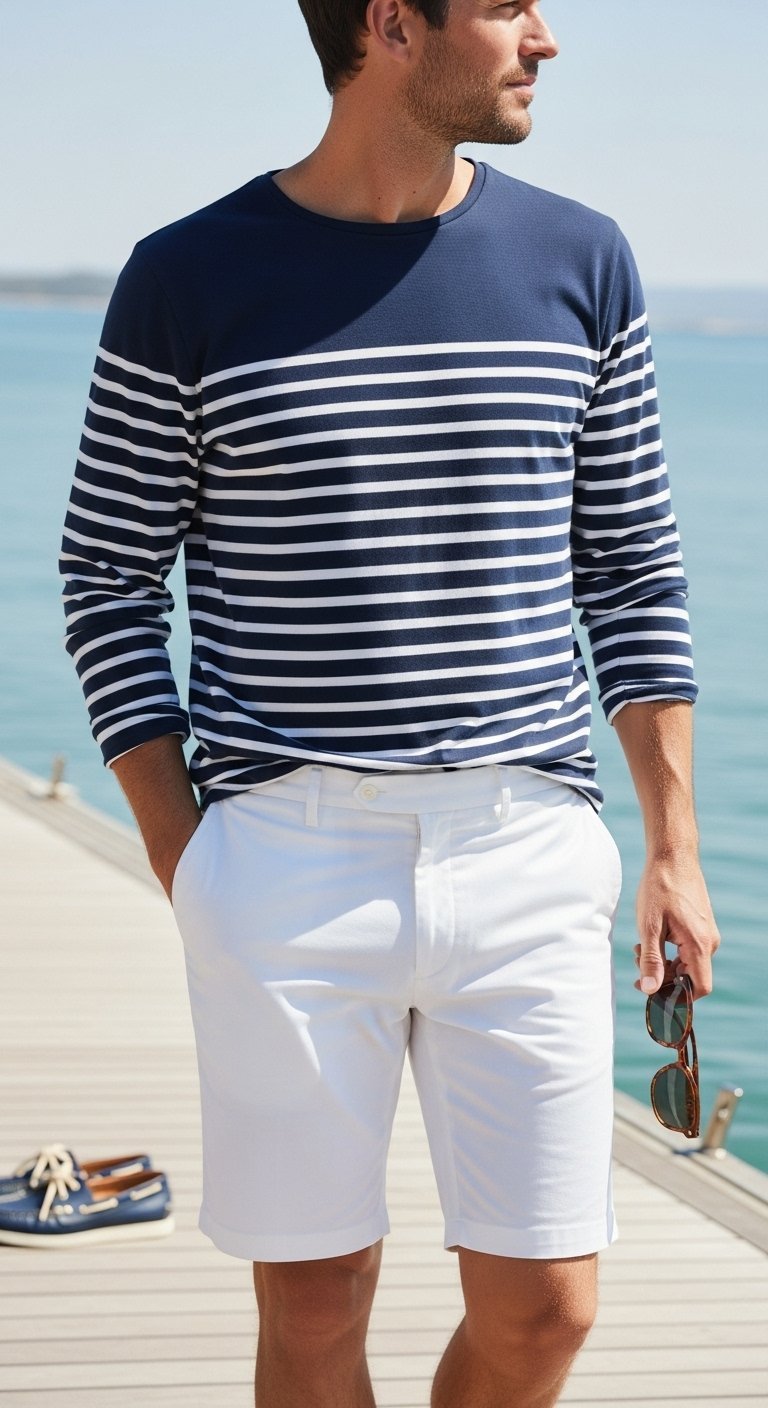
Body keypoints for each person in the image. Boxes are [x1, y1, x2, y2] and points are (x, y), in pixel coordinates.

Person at [60, 2, 721, 1404]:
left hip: (525, 843)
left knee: (547, 1309)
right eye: (506, 6)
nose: (546, 40)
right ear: (392, 28)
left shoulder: (581, 260)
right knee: (314, 1307)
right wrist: (191, 857)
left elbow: (634, 570)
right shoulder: (187, 278)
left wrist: (674, 846)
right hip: (283, 859)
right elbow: (110, 576)